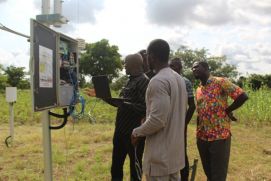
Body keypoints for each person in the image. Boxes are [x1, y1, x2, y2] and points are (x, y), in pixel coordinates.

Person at [131, 39, 188, 181]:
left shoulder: (158, 81)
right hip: (174, 157)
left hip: (160, 160)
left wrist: (137, 132)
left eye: (146, 57)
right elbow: (170, 113)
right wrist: (148, 117)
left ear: (151, 57)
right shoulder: (179, 79)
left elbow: (157, 121)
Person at [192, 61, 248, 181]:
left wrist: (228, 110)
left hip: (219, 137)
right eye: (192, 68)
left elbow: (242, 96)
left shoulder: (220, 82)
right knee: (209, 175)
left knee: (218, 176)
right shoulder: (198, 89)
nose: (193, 69)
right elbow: (200, 113)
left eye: (196, 67)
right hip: (202, 138)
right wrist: (197, 135)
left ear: (206, 68)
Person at [104, 53, 149, 181]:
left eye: (126, 63)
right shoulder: (129, 81)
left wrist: (125, 104)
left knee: (135, 167)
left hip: (133, 133)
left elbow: (146, 108)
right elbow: (120, 103)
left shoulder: (144, 81)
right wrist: (104, 97)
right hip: (120, 131)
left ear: (134, 64)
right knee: (116, 166)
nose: (124, 66)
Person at [169, 58, 196, 181]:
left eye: (174, 66)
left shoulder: (185, 82)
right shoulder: (167, 80)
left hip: (179, 123)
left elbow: (192, 105)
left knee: (181, 151)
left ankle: (184, 177)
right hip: (167, 123)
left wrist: (183, 123)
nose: (171, 68)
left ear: (180, 68)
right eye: (170, 66)